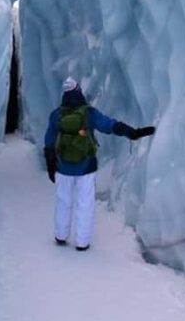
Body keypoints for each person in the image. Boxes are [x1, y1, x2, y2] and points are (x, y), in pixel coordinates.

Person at [43, 77, 155, 251]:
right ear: (79, 92)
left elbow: (49, 141)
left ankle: (61, 235)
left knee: (63, 201)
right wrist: (133, 133)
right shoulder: (89, 113)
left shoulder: (56, 115)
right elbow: (110, 125)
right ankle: (82, 242)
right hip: (86, 167)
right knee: (85, 203)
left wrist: (51, 164)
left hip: (63, 167)